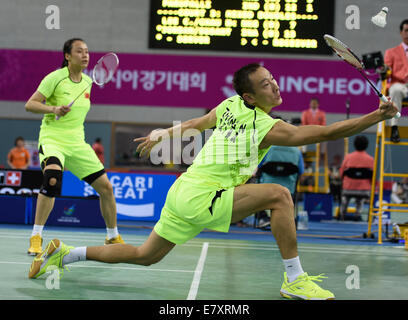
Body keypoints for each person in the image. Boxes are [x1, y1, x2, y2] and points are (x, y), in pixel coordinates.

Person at [28, 63, 398, 300]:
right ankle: (294, 279)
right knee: (280, 195)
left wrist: (164, 133)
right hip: (202, 193)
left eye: (273, 80)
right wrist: (376, 115)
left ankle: (65, 254)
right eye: (267, 85)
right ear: (250, 95)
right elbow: (326, 133)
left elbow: (196, 123)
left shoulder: (228, 107)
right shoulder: (269, 128)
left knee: (145, 256)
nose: (275, 86)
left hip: (184, 193)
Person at [24, 38, 124, 256]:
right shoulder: (55, 78)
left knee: (106, 188)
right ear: (67, 56)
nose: (85, 55)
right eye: (79, 51)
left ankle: (112, 236)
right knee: (51, 179)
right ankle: (36, 236)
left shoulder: (88, 82)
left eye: (87, 51)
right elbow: (30, 104)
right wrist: (53, 109)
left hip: (77, 143)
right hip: (53, 140)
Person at [339, 136, 374, 221]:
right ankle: (357, 214)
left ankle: (342, 214)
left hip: (348, 189)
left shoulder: (348, 157)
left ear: (354, 145)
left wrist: (343, 182)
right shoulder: (370, 159)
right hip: (364, 190)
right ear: (366, 145)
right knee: (360, 198)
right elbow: (372, 176)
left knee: (345, 198)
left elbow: (341, 172)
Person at [384, 19, 408, 143]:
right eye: (406, 30)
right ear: (401, 32)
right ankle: (394, 128)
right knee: (396, 90)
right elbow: (386, 68)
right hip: (398, 84)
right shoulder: (391, 52)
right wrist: (385, 69)